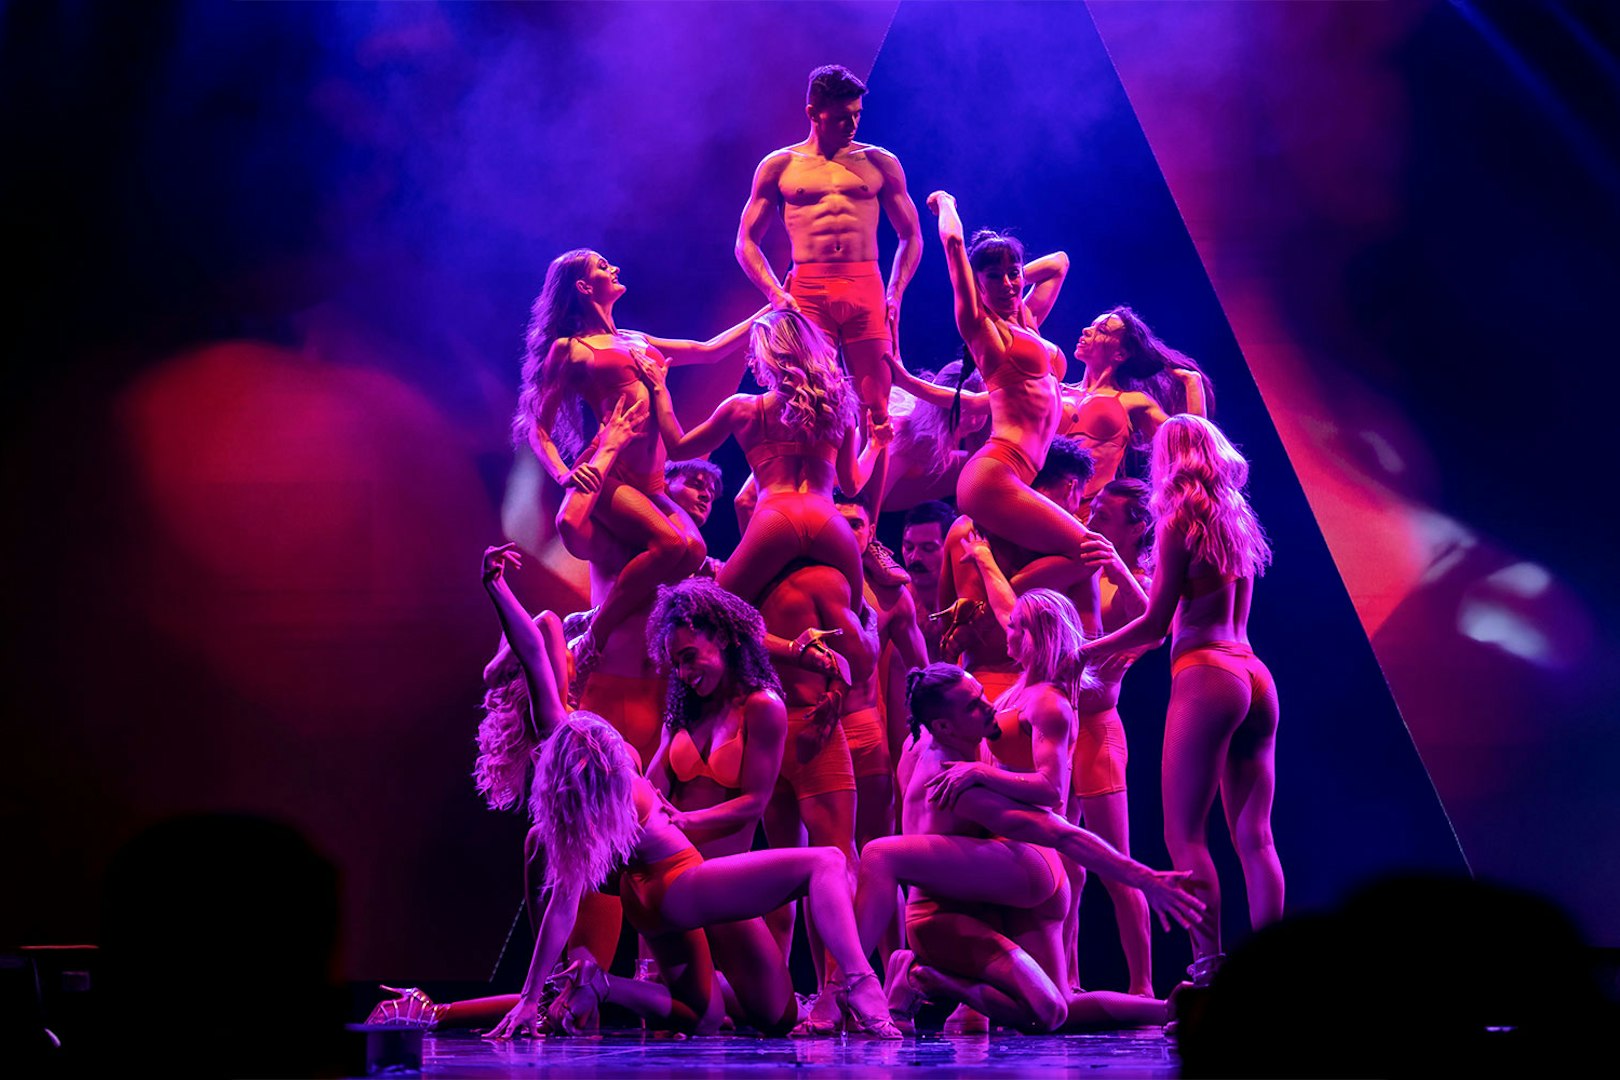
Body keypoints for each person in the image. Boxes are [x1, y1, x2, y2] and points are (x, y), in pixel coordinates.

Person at [489, 708, 901, 1040]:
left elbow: (561, 907)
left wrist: (530, 995)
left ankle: (604, 984)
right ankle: (859, 979)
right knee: (826, 860)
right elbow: (541, 671)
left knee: (708, 1017)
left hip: (646, 903)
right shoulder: (619, 781)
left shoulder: (587, 798)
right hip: (680, 885)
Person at [851, 664, 1201, 1032]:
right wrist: (1143, 878)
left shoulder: (948, 746)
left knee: (1061, 1005)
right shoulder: (952, 782)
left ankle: (1169, 1010)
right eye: (973, 705)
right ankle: (896, 979)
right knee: (1048, 1012)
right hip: (940, 918)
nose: (989, 706)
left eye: (982, 694)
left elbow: (1047, 806)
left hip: (986, 903)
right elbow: (1059, 831)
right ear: (943, 727)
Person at [1081, 415, 1280, 986]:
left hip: (1207, 674)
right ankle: (1271, 972)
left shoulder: (1177, 522)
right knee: (1256, 836)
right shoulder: (1237, 520)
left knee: (1183, 834)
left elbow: (1154, 624)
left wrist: (1085, 651)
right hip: (1255, 675)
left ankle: (1211, 972)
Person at [513, 248, 756, 668]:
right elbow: (536, 425)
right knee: (667, 543)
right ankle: (595, 636)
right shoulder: (572, 349)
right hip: (615, 475)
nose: (616, 268)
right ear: (585, 287)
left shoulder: (636, 340)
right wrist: (566, 475)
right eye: (604, 268)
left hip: (653, 480)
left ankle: (606, 616)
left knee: (694, 550)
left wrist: (770, 308)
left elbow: (709, 350)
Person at [637, 308, 883, 609]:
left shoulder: (743, 409)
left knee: (714, 614)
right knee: (857, 621)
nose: (753, 361)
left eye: (755, 352)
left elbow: (677, 448)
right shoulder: (838, 406)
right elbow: (852, 484)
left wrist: (661, 390)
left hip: (776, 517)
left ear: (767, 353)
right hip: (828, 520)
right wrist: (875, 445)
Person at [918, 192, 1101, 592]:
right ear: (977, 283)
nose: (1008, 283)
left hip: (1019, 475)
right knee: (1091, 553)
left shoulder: (1027, 322)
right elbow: (952, 245)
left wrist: (1009, 278)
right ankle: (1001, 593)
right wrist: (946, 204)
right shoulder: (983, 330)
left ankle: (991, 600)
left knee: (1084, 558)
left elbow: (1059, 263)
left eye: (1013, 273)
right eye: (993, 276)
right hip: (995, 472)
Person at [637, 579, 796, 1034]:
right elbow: (654, 783)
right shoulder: (683, 712)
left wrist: (686, 821)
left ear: (724, 638)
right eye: (676, 664)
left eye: (689, 657)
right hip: (676, 876)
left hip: (725, 884)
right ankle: (622, 986)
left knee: (777, 1016)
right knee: (688, 1020)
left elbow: (753, 804)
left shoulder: (764, 708)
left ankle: (690, 990)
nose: (684, 674)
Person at [736, 63, 922, 442]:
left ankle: (865, 504)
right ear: (812, 113)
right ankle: (814, 495)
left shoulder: (879, 162)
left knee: (878, 410)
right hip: (807, 290)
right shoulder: (780, 166)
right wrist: (775, 293)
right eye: (840, 118)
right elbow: (745, 243)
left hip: (866, 288)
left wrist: (895, 291)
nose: (852, 125)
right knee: (809, 402)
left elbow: (911, 236)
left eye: (856, 115)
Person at [1061, 307, 1210, 506]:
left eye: (1102, 331)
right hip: (1038, 502)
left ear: (1120, 354)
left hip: (1088, 514)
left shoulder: (1134, 402)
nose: (1087, 331)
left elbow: (1189, 447)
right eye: (1092, 325)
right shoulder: (1056, 390)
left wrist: (1193, 383)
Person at [899, 501, 955, 663]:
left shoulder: (966, 593)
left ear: (950, 546)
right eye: (909, 547)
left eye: (928, 548)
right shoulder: (894, 599)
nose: (915, 557)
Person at [664, 458, 726, 577]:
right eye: (696, 485)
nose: (707, 496)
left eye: (711, 494)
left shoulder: (704, 566)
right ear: (665, 484)